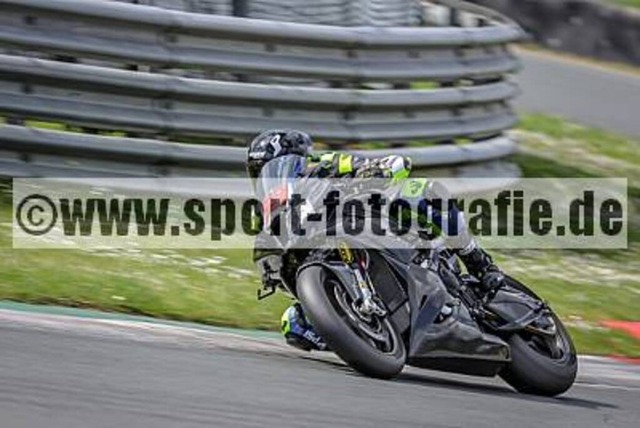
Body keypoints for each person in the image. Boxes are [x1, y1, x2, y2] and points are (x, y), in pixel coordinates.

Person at [246, 129, 505, 351]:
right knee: (292, 323)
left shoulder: (323, 164)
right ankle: (363, 330)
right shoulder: (266, 212)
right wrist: (272, 270)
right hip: (320, 246)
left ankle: (477, 260)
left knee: (422, 191)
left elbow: (370, 164)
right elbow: (267, 249)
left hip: (365, 219)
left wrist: (375, 169)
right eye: (262, 171)